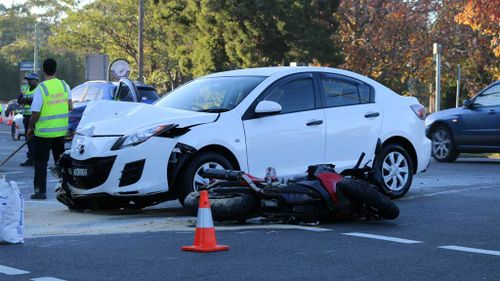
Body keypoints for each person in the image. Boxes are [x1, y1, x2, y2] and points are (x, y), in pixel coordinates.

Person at [27, 58, 72, 200]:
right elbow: (70, 107)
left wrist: (30, 128)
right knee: (62, 164)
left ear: (43, 71)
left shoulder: (42, 88)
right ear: (56, 70)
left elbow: (35, 112)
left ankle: (40, 191)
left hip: (43, 134)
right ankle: (67, 190)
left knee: (40, 163)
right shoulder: (65, 86)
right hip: (59, 133)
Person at [18, 73, 39, 166]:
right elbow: (19, 100)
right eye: (28, 80)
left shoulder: (38, 90)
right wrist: (27, 100)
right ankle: (31, 158)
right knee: (28, 138)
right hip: (26, 116)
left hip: (34, 117)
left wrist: (25, 100)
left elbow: (33, 101)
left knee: (33, 139)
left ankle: (33, 159)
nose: (29, 81)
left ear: (36, 80)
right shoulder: (26, 89)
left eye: (31, 80)